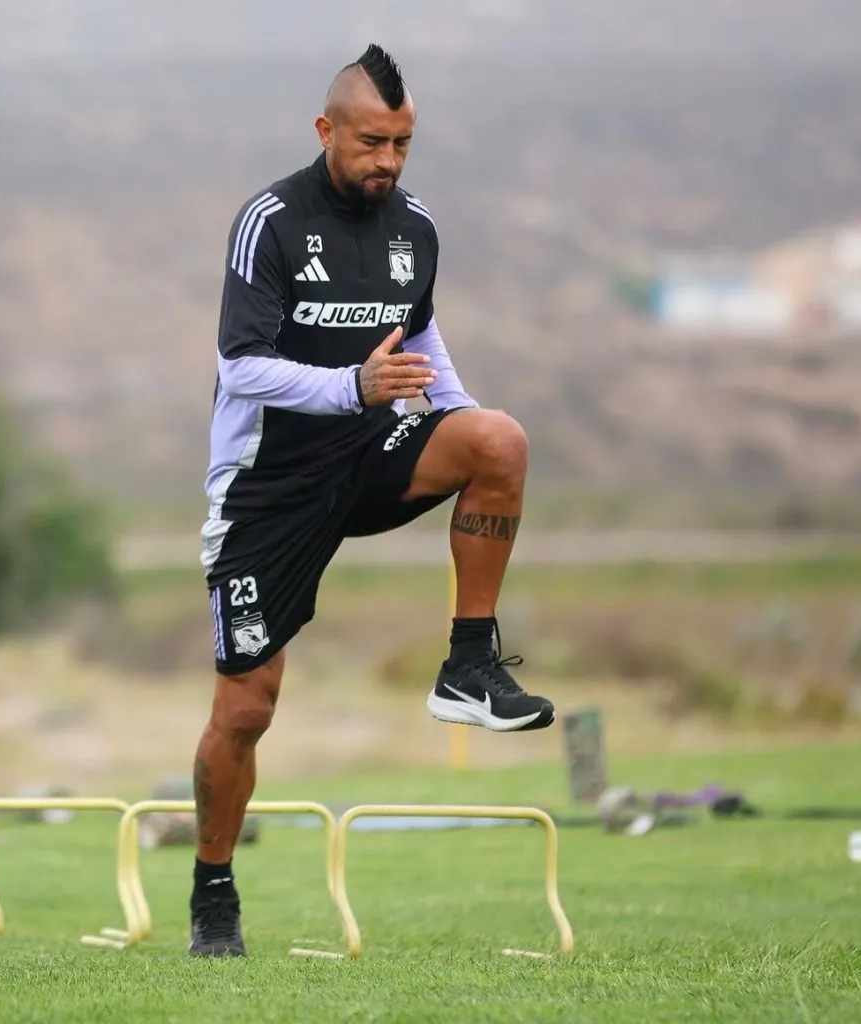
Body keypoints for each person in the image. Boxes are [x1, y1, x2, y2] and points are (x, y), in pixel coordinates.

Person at [189, 43, 556, 957]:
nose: (386, 161)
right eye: (369, 141)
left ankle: (468, 663)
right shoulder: (270, 221)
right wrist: (352, 386)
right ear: (326, 131)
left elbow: (422, 346)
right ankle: (213, 893)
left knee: (499, 440)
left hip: (370, 449)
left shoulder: (415, 228)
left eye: (400, 144)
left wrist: (457, 419)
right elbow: (240, 365)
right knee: (246, 708)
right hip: (269, 485)